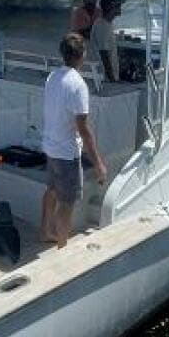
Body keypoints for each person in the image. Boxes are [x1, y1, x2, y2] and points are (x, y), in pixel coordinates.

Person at [40, 32, 107, 248]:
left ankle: (45, 232)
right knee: (66, 203)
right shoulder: (78, 85)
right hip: (67, 154)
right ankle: (62, 247)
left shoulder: (52, 77)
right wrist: (98, 164)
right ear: (82, 55)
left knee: (51, 190)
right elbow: (83, 129)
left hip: (49, 147)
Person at [92, 0, 125, 82]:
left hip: (109, 76)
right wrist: (111, 78)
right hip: (105, 78)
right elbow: (104, 54)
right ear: (110, 8)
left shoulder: (108, 24)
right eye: (118, 5)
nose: (120, 8)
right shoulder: (102, 25)